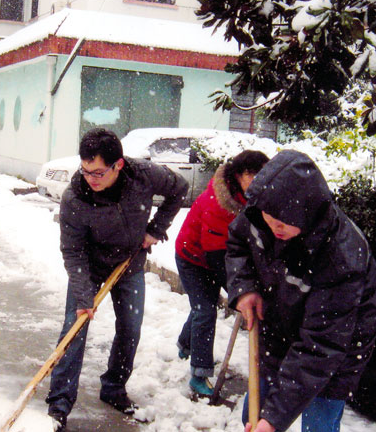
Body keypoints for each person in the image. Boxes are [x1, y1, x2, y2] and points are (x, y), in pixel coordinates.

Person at [225, 150, 376, 432]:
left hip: (334, 354)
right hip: (279, 332)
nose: (273, 225)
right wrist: (245, 287)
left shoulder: (342, 256)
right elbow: (238, 244)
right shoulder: (262, 215)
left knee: (316, 426)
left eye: (283, 219)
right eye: (268, 216)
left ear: (307, 211)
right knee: (253, 415)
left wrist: (274, 421)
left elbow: (319, 348)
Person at [46, 128, 188, 431]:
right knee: (75, 329)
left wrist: (156, 228)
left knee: (130, 328)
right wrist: (84, 298)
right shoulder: (75, 197)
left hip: (129, 264)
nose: (90, 178)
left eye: (98, 172)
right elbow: (72, 252)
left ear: (118, 165)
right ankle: (58, 405)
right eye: (85, 171)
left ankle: (113, 387)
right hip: (91, 266)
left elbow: (179, 188)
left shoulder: (144, 175)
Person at [175, 150, 269, 397]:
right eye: (251, 174)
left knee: (202, 307)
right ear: (238, 175)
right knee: (205, 310)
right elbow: (216, 256)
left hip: (218, 256)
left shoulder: (256, 197)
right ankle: (199, 373)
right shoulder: (219, 202)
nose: (258, 179)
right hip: (193, 257)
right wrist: (239, 292)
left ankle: (185, 344)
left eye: (262, 173)